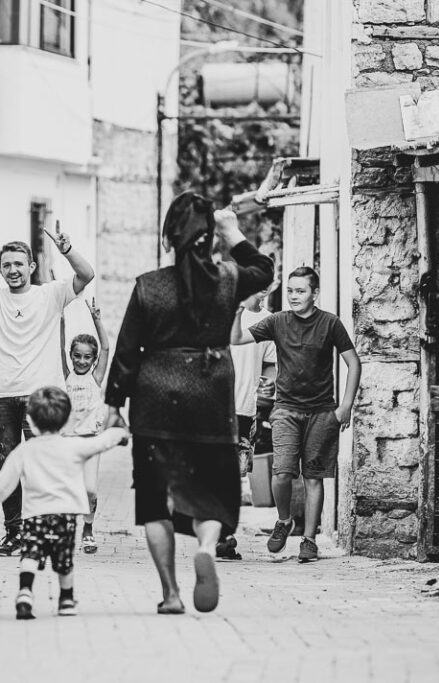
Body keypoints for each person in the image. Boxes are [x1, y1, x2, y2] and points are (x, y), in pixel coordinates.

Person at [105, 194, 273, 615]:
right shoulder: (228, 279)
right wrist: (231, 230)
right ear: (208, 240)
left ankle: (171, 594)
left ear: (167, 239)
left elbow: (126, 349)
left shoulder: (148, 285)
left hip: (154, 398)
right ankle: (207, 547)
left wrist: (113, 404)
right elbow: (265, 271)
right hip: (210, 396)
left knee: (153, 500)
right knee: (213, 492)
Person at [0, 223, 95, 556]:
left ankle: (43, 531)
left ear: (30, 267)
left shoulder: (50, 294)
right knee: (8, 466)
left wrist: (67, 248)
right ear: (0, 270)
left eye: (18, 264)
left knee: (43, 466)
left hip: (40, 396)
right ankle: (15, 533)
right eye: (7, 265)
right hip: (0, 396)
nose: (13, 270)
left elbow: (86, 275)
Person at [231, 266, 361, 563]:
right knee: (282, 473)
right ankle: (284, 520)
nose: (293, 296)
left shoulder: (330, 324)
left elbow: (353, 363)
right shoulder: (276, 321)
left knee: (314, 477)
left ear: (315, 294)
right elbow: (236, 339)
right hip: (286, 410)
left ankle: (309, 540)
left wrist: (345, 407)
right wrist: (239, 310)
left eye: (300, 291)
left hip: (321, 412)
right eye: (290, 291)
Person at [0, 386, 127, 620]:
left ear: (30, 420)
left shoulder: (25, 450)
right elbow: (99, 443)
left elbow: (6, 479)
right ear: (67, 419)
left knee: (30, 556)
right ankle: (66, 599)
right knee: (64, 560)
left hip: (34, 517)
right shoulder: (72, 445)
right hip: (65, 517)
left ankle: (25, 592)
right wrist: (119, 434)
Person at [218, 286, 277, 560]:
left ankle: (222, 534)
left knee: (233, 477)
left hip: (244, 408)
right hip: (212, 406)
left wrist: (263, 383)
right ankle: (220, 535)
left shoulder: (268, 322)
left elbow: (271, 364)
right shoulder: (218, 311)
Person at [59, 298, 109, 554]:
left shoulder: (96, 377)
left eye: (87, 357)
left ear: (93, 359)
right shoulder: (66, 376)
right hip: (68, 440)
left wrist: (97, 320)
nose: (81, 361)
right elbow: (58, 345)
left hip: (90, 441)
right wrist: (61, 320)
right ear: (71, 356)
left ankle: (88, 530)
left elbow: (107, 349)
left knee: (89, 490)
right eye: (77, 356)